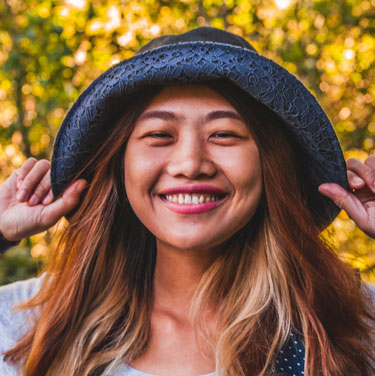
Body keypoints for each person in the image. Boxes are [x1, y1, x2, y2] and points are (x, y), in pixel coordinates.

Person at [0, 27, 374, 376]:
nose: (191, 164)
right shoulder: (32, 324)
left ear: (268, 163)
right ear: (120, 165)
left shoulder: (347, 319)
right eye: (160, 134)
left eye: (224, 134)